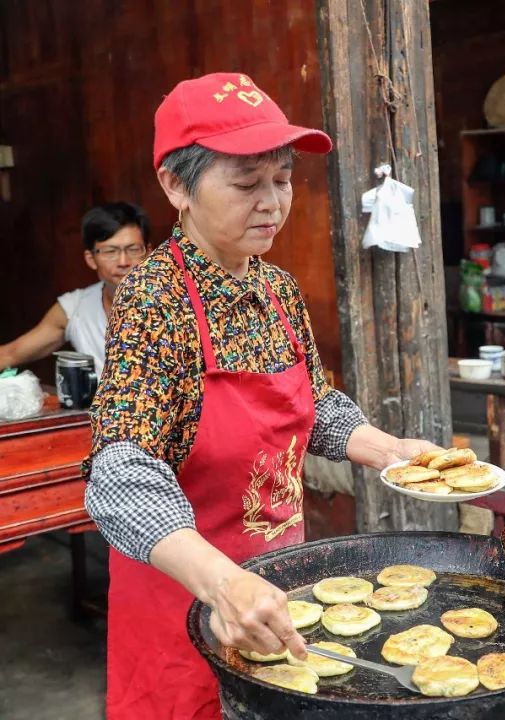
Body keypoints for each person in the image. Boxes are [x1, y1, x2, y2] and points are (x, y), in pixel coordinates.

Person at [83, 72, 438, 718]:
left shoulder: (277, 288)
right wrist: (223, 584)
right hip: (187, 606)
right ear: (175, 186)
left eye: (282, 179)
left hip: (280, 589)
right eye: (247, 183)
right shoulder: (153, 300)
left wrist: (390, 451)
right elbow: (120, 476)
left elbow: (317, 405)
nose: (273, 201)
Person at [0, 202, 149, 374]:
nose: (123, 262)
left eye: (133, 249)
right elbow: (10, 354)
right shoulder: (76, 308)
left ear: (148, 252)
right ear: (91, 259)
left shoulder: (175, 304)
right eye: (110, 251)